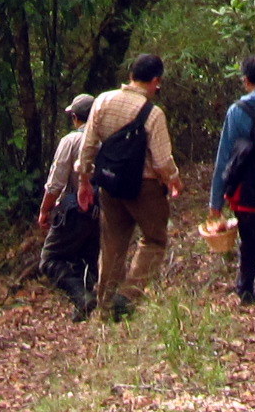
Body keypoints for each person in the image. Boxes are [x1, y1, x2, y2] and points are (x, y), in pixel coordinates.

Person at [76, 53, 182, 320]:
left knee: (112, 244)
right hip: (144, 188)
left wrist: (84, 181)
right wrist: (173, 179)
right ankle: (128, 295)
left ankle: (105, 308)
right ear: (155, 81)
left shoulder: (103, 101)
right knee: (155, 239)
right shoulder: (153, 114)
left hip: (109, 184)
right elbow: (162, 161)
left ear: (131, 75)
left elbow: (88, 146)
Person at [210, 53, 255, 304]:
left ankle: (245, 289)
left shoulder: (237, 111)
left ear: (245, 80)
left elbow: (224, 157)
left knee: (248, 237)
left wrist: (216, 201)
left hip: (246, 186)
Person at [35, 92, 100, 317]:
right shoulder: (107, 140)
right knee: (88, 260)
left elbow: (56, 183)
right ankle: (86, 308)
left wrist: (45, 210)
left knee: (50, 260)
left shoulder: (71, 141)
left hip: (74, 210)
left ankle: (83, 298)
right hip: (103, 211)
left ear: (75, 117)